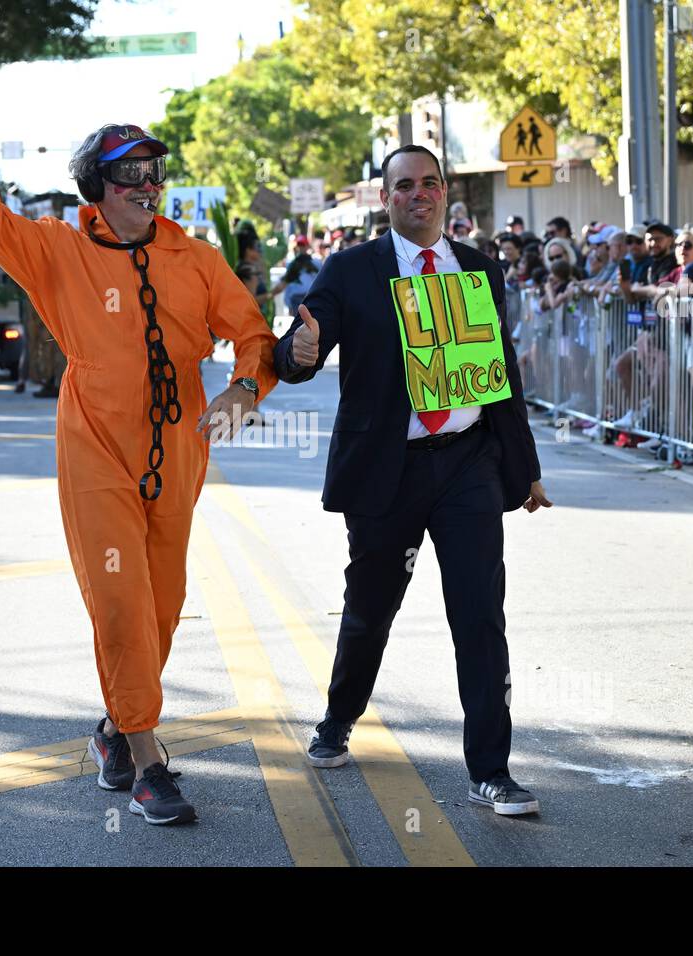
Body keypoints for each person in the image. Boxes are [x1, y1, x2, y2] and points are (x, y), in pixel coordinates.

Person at [0, 31, 278, 825]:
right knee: (121, 599)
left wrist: (244, 389)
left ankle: (115, 730)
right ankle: (151, 764)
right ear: (97, 185)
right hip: (95, 443)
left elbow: (253, 333)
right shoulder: (56, 250)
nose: (149, 185)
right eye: (131, 173)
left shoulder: (195, 256)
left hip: (182, 446)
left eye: (156, 172)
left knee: (163, 602)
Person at [273, 143, 550, 816]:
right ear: (385, 196)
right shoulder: (351, 270)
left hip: (468, 465)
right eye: (404, 186)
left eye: (429, 183)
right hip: (387, 472)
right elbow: (298, 351)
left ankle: (491, 770)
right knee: (370, 612)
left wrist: (525, 469)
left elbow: (502, 379)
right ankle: (339, 718)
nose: (417, 195)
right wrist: (297, 351)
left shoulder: (480, 270)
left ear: (446, 192)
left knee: (479, 615)